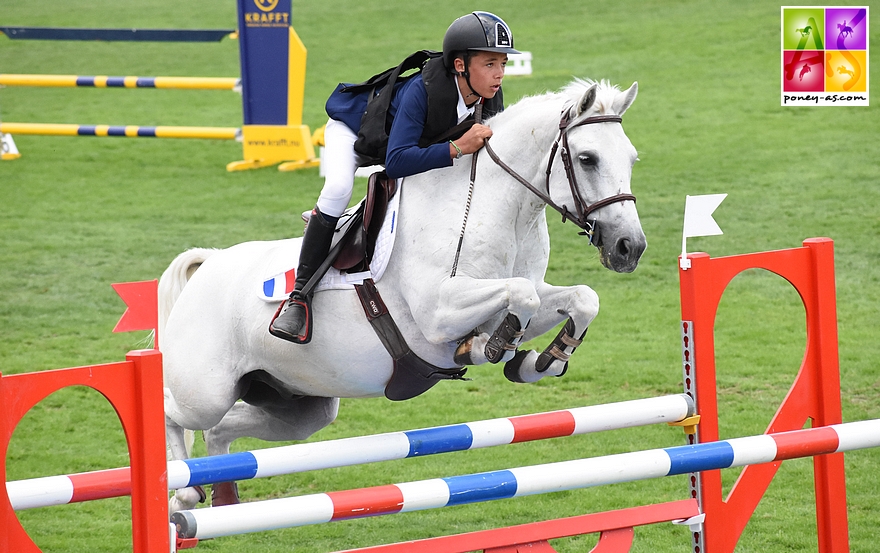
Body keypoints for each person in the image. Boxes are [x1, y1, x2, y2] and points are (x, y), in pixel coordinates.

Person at [269, 11, 519, 344]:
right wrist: (456, 149)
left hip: (401, 143)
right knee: (339, 187)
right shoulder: (422, 91)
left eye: (503, 64)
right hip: (356, 135)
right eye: (490, 64)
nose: (499, 74)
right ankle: (299, 297)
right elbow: (397, 161)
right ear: (460, 65)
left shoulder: (488, 95)